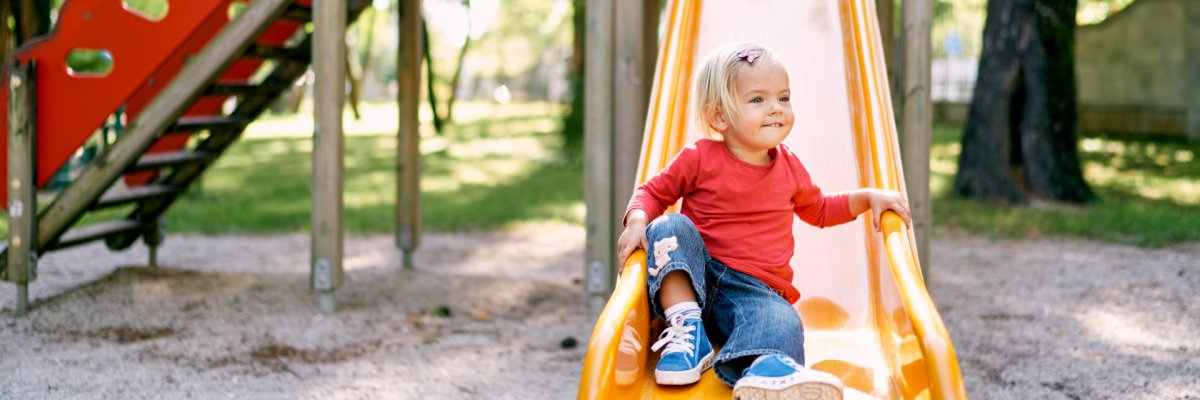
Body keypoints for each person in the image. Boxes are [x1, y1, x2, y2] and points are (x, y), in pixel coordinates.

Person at [615, 41, 912, 399]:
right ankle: (687, 330)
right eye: (758, 100)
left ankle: (766, 370)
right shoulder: (699, 158)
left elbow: (819, 210)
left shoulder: (789, 167)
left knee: (782, 320)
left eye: (783, 98)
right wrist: (635, 221)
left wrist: (866, 198)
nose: (776, 109)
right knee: (667, 226)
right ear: (719, 117)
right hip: (696, 277)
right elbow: (652, 193)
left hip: (755, 291)